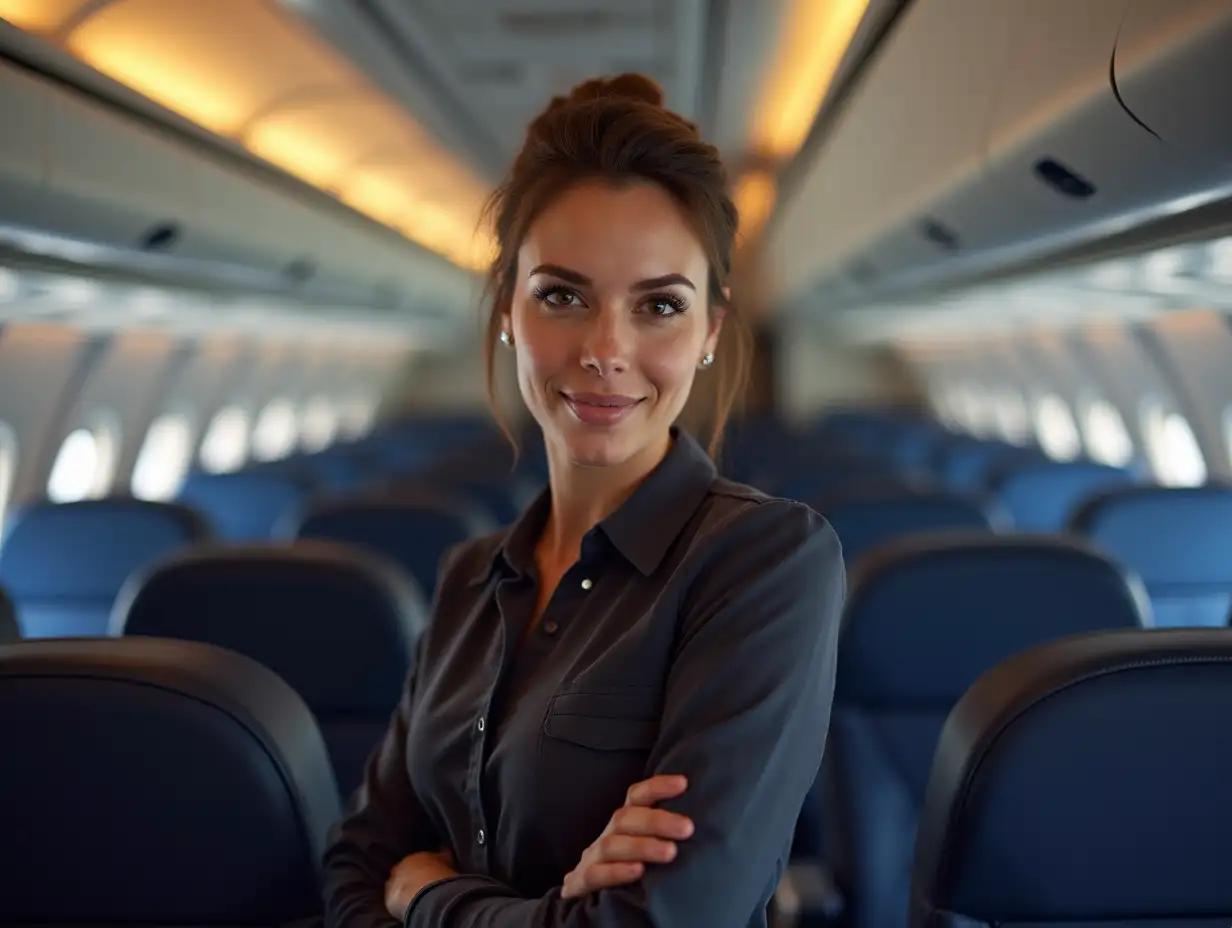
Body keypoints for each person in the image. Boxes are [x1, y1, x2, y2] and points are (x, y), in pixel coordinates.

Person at [322, 73, 845, 928]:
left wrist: (431, 898)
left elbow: (666, 920)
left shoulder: (767, 563)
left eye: (659, 307)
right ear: (505, 310)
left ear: (710, 331)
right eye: (562, 295)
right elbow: (354, 866)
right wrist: (554, 909)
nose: (607, 349)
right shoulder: (468, 577)